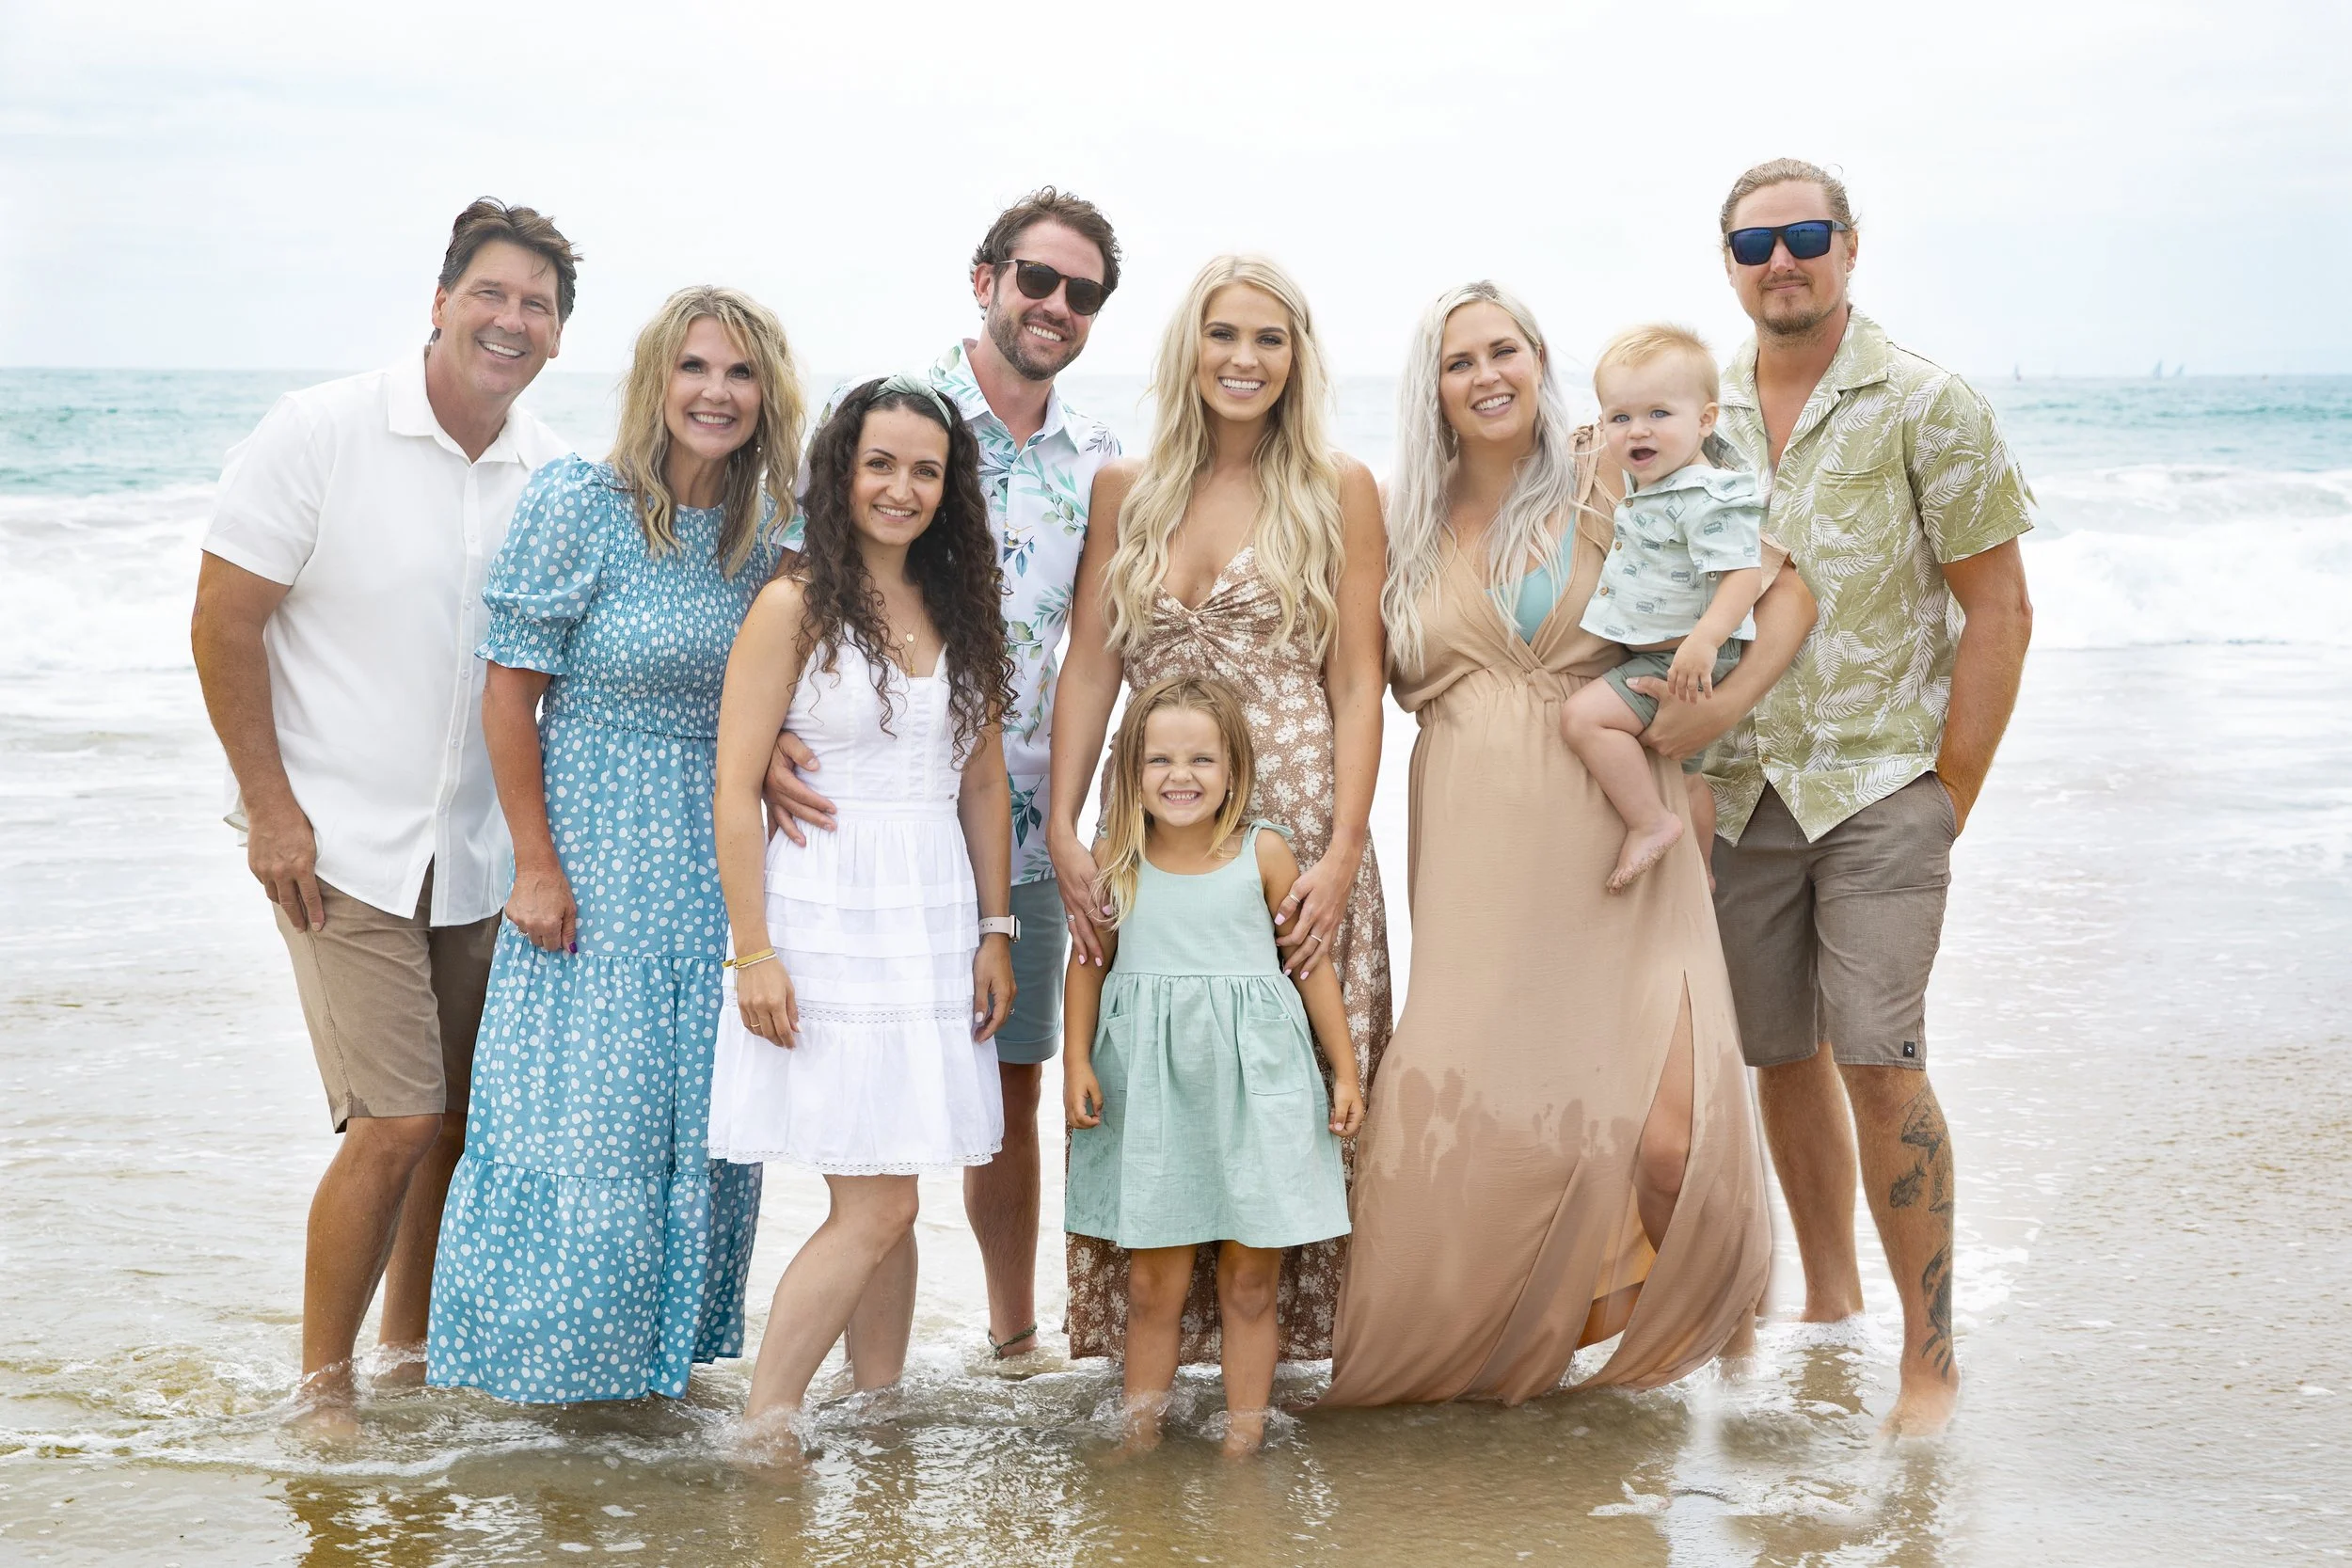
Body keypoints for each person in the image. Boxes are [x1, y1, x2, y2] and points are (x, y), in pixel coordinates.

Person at [1321, 281, 1809, 1407]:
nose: (1486, 375)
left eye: (1505, 351)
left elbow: (1781, 593)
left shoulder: (1610, 477)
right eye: (1459, 361)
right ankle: (1491, 1352)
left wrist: (1714, 714)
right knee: (1483, 1110)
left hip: (1616, 831)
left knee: (1666, 1136)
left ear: (1540, 361)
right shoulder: (1397, 517)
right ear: (1431, 388)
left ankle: (1728, 1353)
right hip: (1474, 841)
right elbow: (1348, 679)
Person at [190, 199, 576, 1431]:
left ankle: (409, 1355)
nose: (512, 320)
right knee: (397, 1115)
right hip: (337, 846)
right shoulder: (321, 431)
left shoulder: (551, 474)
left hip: (476, 855)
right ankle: (322, 1384)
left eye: (538, 304)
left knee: (455, 1120)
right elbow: (224, 617)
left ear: (561, 333)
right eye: (493, 294)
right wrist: (271, 810)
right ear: (442, 300)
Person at [1701, 158, 2035, 1438]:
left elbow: (1997, 605)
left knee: (1879, 1059)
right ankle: (1829, 1306)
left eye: (1803, 235)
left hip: (1884, 784)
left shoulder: (1926, 403)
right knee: (1779, 1054)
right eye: (1754, 243)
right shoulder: (1701, 404)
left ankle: (1930, 1360)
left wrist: (1951, 788)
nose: (1779, 260)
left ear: (1849, 245)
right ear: (1727, 263)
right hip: (1741, 795)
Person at [423, 287, 803, 1403]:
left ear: (766, 395)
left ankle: (649, 1395)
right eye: (694, 368)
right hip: (593, 855)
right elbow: (509, 698)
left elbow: (780, 683)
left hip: (717, 863)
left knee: (691, 1126)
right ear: (656, 380)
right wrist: (532, 863)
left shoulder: (770, 528)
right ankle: (531, 1392)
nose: (715, 393)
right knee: (580, 1123)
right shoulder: (580, 502)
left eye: (739, 374)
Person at [763, 190, 1122, 1364]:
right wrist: (761, 737)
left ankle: (1011, 1339)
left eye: (1081, 292)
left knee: (1003, 1096)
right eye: (1036, 279)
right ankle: (837, 1386)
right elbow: (779, 582)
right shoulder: (894, 417)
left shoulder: (1103, 464)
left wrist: (1069, 816)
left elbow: (1093, 654)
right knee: (873, 1122)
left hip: (1012, 822)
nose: (1054, 306)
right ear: (985, 278)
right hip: (871, 821)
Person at [1048, 254, 1391, 1364]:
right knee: (1147, 1064)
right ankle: (1151, 1362)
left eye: (1269, 339)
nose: (1244, 359)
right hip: (1153, 822)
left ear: (1298, 361)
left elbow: (1355, 679)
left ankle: (1276, 1371)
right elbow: (1091, 668)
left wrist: (1341, 848)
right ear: (1187, 350)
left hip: (1295, 822)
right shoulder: (1125, 490)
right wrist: (1064, 823)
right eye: (1224, 335)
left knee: (1291, 1083)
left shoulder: (1336, 487)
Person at [708, 376, 1018, 1457]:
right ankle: (768, 1420)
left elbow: (981, 784)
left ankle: (877, 1417)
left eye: (924, 469)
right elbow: (736, 787)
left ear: (950, 486)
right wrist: (752, 949)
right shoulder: (794, 606)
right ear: (841, 474)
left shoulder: (960, 604)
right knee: (874, 1204)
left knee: (903, 1186)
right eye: (879, 464)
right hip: (825, 914)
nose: (900, 487)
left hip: (929, 917)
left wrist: (995, 928)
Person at [1062, 676, 1363, 1456]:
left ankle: (1243, 1447)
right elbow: (1089, 964)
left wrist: (1346, 1070)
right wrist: (1074, 1060)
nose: (1180, 774)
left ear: (1234, 770)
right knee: (1152, 1284)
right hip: (1152, 1097)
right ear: (1130, 770)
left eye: (1202, 757)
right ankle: (1137, 1442)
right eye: (1158, 757)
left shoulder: (1263, 851)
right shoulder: (1116, 857)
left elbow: (1310, 965)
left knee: (1249, 1282)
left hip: (1257, 1092)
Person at [1559, 324, 1765, 891]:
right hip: (1676, 655)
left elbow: (1744, 573)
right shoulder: (1654, 482)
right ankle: (1699, 876)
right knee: (1689, 773)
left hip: (1683, 657)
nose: (1637, 430)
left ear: (1705, 420)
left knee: (1584, 718)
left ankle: (1649, 822)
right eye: (1620, 418)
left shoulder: (1705, 493)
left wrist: (1703, 641)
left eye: (1658, 414)